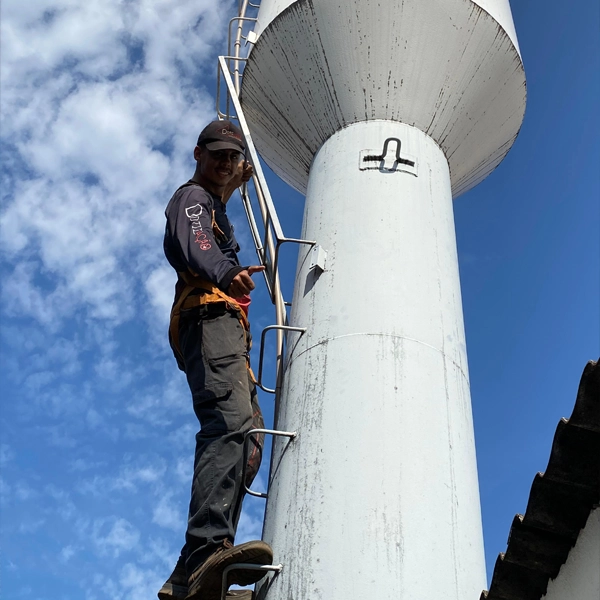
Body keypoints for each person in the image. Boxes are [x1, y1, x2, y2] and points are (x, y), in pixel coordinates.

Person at [158, 120, 272, 600]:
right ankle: (207, 552)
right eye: (217, 155)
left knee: (247, 443)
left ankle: (191, 575)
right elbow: (197, 241)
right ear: (197, 154)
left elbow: (219, 206)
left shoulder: (215, 199)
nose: (225, 163)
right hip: (208, 318)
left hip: (226, 330)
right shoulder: (192, 199)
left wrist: (238, 178)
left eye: (233, 157)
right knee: (229, 424)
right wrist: (227, 272)